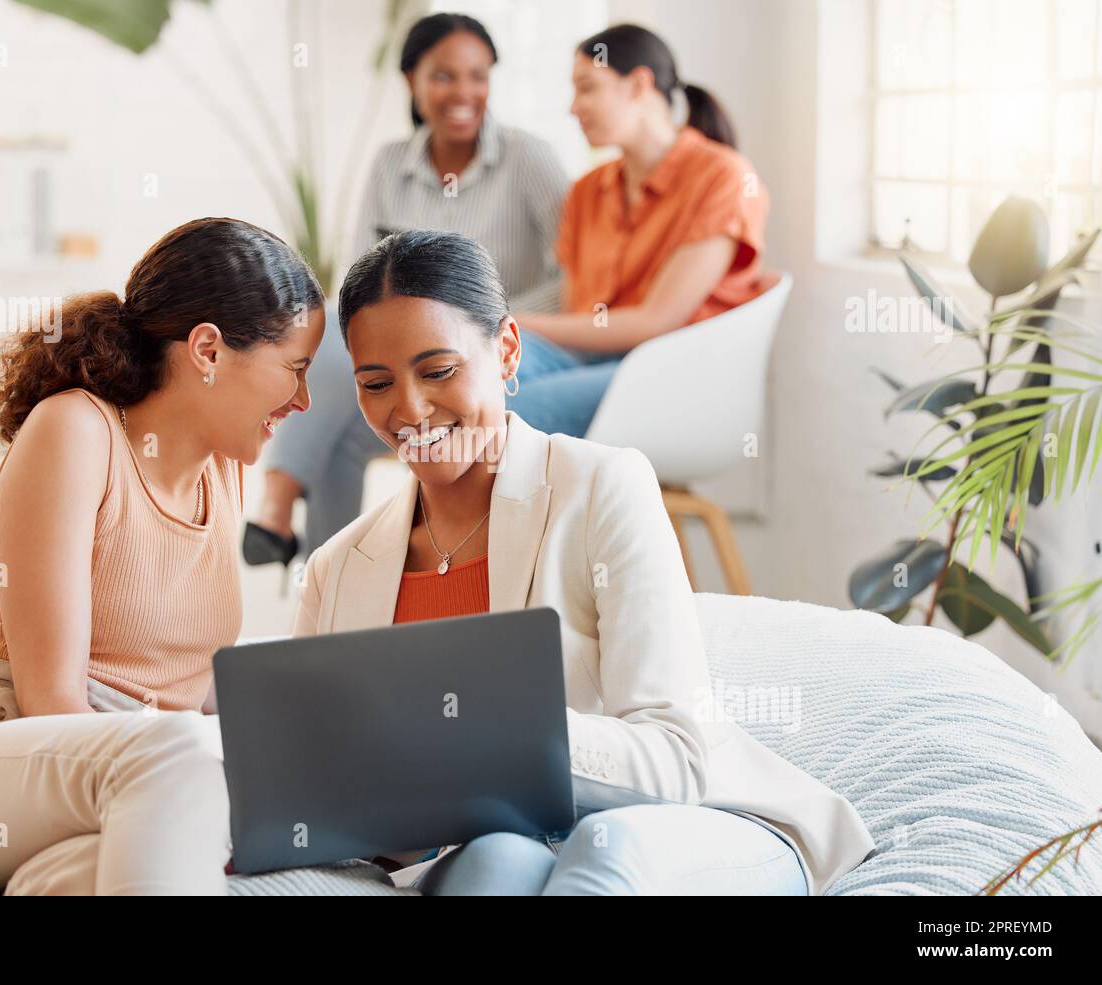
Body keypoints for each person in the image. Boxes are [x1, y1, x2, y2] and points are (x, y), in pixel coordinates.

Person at [292, 229, 875, 895]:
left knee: (605, 846)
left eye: (438, 370)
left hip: (689, 824)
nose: (410, 409)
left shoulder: (603, 487)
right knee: (490, 864)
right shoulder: (337, 569)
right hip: (508, 846)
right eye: (376, 382)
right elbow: (339, 800)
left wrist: (490, 741)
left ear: (507, 350)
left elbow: (677, 756)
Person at [0, 218, 326, 895]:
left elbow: (184, 678)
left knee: (83, 873)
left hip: (109, 792)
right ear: (208, 350)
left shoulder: (224, 467)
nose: (304, 400)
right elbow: (52, 700)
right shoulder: (75, 431)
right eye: (295, 369)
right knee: (189, 756)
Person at [245, 11, 570, 566]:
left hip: (496, 343)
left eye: (478, 75)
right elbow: (359, 282)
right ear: (412, 84)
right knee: (334, 344)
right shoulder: (390, 164)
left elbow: (573, 277)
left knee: (341, 429)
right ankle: (335, 590)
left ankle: (278, 510)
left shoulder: (529, 159)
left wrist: (479, 320)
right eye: (444, 76)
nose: (463, 91)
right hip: (400, 347)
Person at [504, 22, 772, 439]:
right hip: (589, 357)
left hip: (672, 373)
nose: (573, 107)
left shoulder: (724, 177)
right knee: (465, 379)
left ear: (638, 85)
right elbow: (580, 313)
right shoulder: (587, 190)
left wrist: (512, 322)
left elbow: (657, 322)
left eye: (587, 87)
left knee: (499, 408)